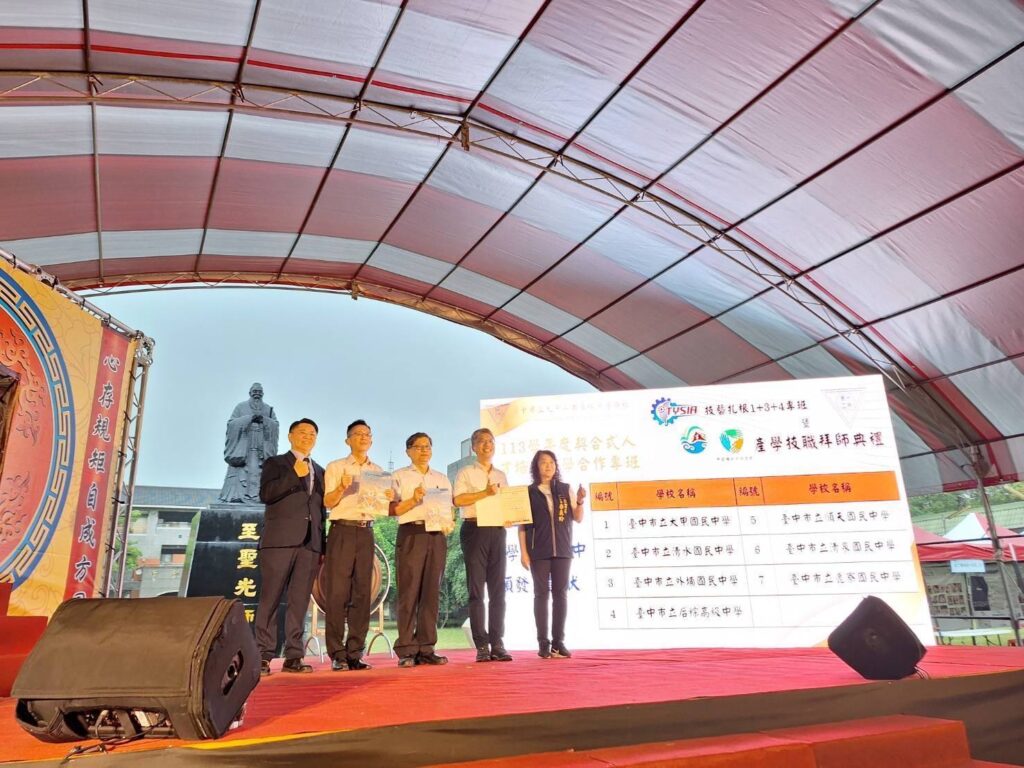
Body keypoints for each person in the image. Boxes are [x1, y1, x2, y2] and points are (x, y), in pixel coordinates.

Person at [255, 418, 325, 675]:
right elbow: (266, 494)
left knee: (299, 602)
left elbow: (320, 511)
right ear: (290, 436)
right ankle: (263, 655)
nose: (308, 436)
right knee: (271, 598)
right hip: (279, 542)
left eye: (312, 433)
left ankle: (294, 655)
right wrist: (294, 473)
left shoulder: (319, 470)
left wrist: (322, 546)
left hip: (309, 544)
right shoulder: (275, 463)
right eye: (303, 432)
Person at [322, 419, 391, 672]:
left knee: (363, 593)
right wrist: (342, 487)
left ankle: (355, 652)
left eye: (367, 434)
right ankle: (337, 653)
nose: (363, 437)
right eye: (358, 434)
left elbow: (383, 506)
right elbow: (328, 502)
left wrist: (388, 497)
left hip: (366, 531)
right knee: (337, 593)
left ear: (371, 440)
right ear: (347, 440)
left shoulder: (378, 471)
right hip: (342, 530)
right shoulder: (336, 467)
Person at [389, 432, 453, 668]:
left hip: (436, 536)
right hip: (412, 532)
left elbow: (448, 508)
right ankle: (406, 648)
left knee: (431, 593)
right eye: (418, 447)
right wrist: (414, 500)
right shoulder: (399, 476)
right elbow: (391, 509)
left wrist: (449, 522)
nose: (424, 450)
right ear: (408, 451)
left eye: (428, 446)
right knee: (409, 591)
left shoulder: (442, 479)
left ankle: (426, 647)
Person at [519, 450, 585, 659]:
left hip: (563, 551)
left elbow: (577, 518)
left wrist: (580, 501)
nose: (548, 466)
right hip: (538, 551)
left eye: (551, 462)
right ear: (536, 467)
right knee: (541, 595)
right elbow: (522, 526)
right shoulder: (528, 492)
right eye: (543, 462)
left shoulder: (565, 489)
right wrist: (524, 553)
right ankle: (543, 643)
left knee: (560, 595)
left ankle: (558, 643)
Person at [453, 428, 512, 662]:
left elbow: (508, 502)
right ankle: (481, 646)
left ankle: (497, 643)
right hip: (474, 529)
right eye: (482, 442)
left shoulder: (501, 474)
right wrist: (485, 493)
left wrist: (511, 516)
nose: (487, 445)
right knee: (476, 589)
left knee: (498, 590)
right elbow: (458, 499)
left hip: (497, 531)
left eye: (491, 441)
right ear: (474, 448)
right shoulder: (466, 472)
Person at [220, 382, 279, 503]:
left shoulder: (268, 409)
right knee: (240, 473)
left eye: (259, 392)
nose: (257, 394)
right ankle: (237, 495)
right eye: (255, 391)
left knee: (261, 472)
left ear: (263, 394)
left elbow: (275, 425)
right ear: (250, 393)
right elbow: (231, 424)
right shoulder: (240, 407)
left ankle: (260, 496)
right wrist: (249, 418)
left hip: (261, 450)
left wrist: (264, 419)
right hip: (244, 449)